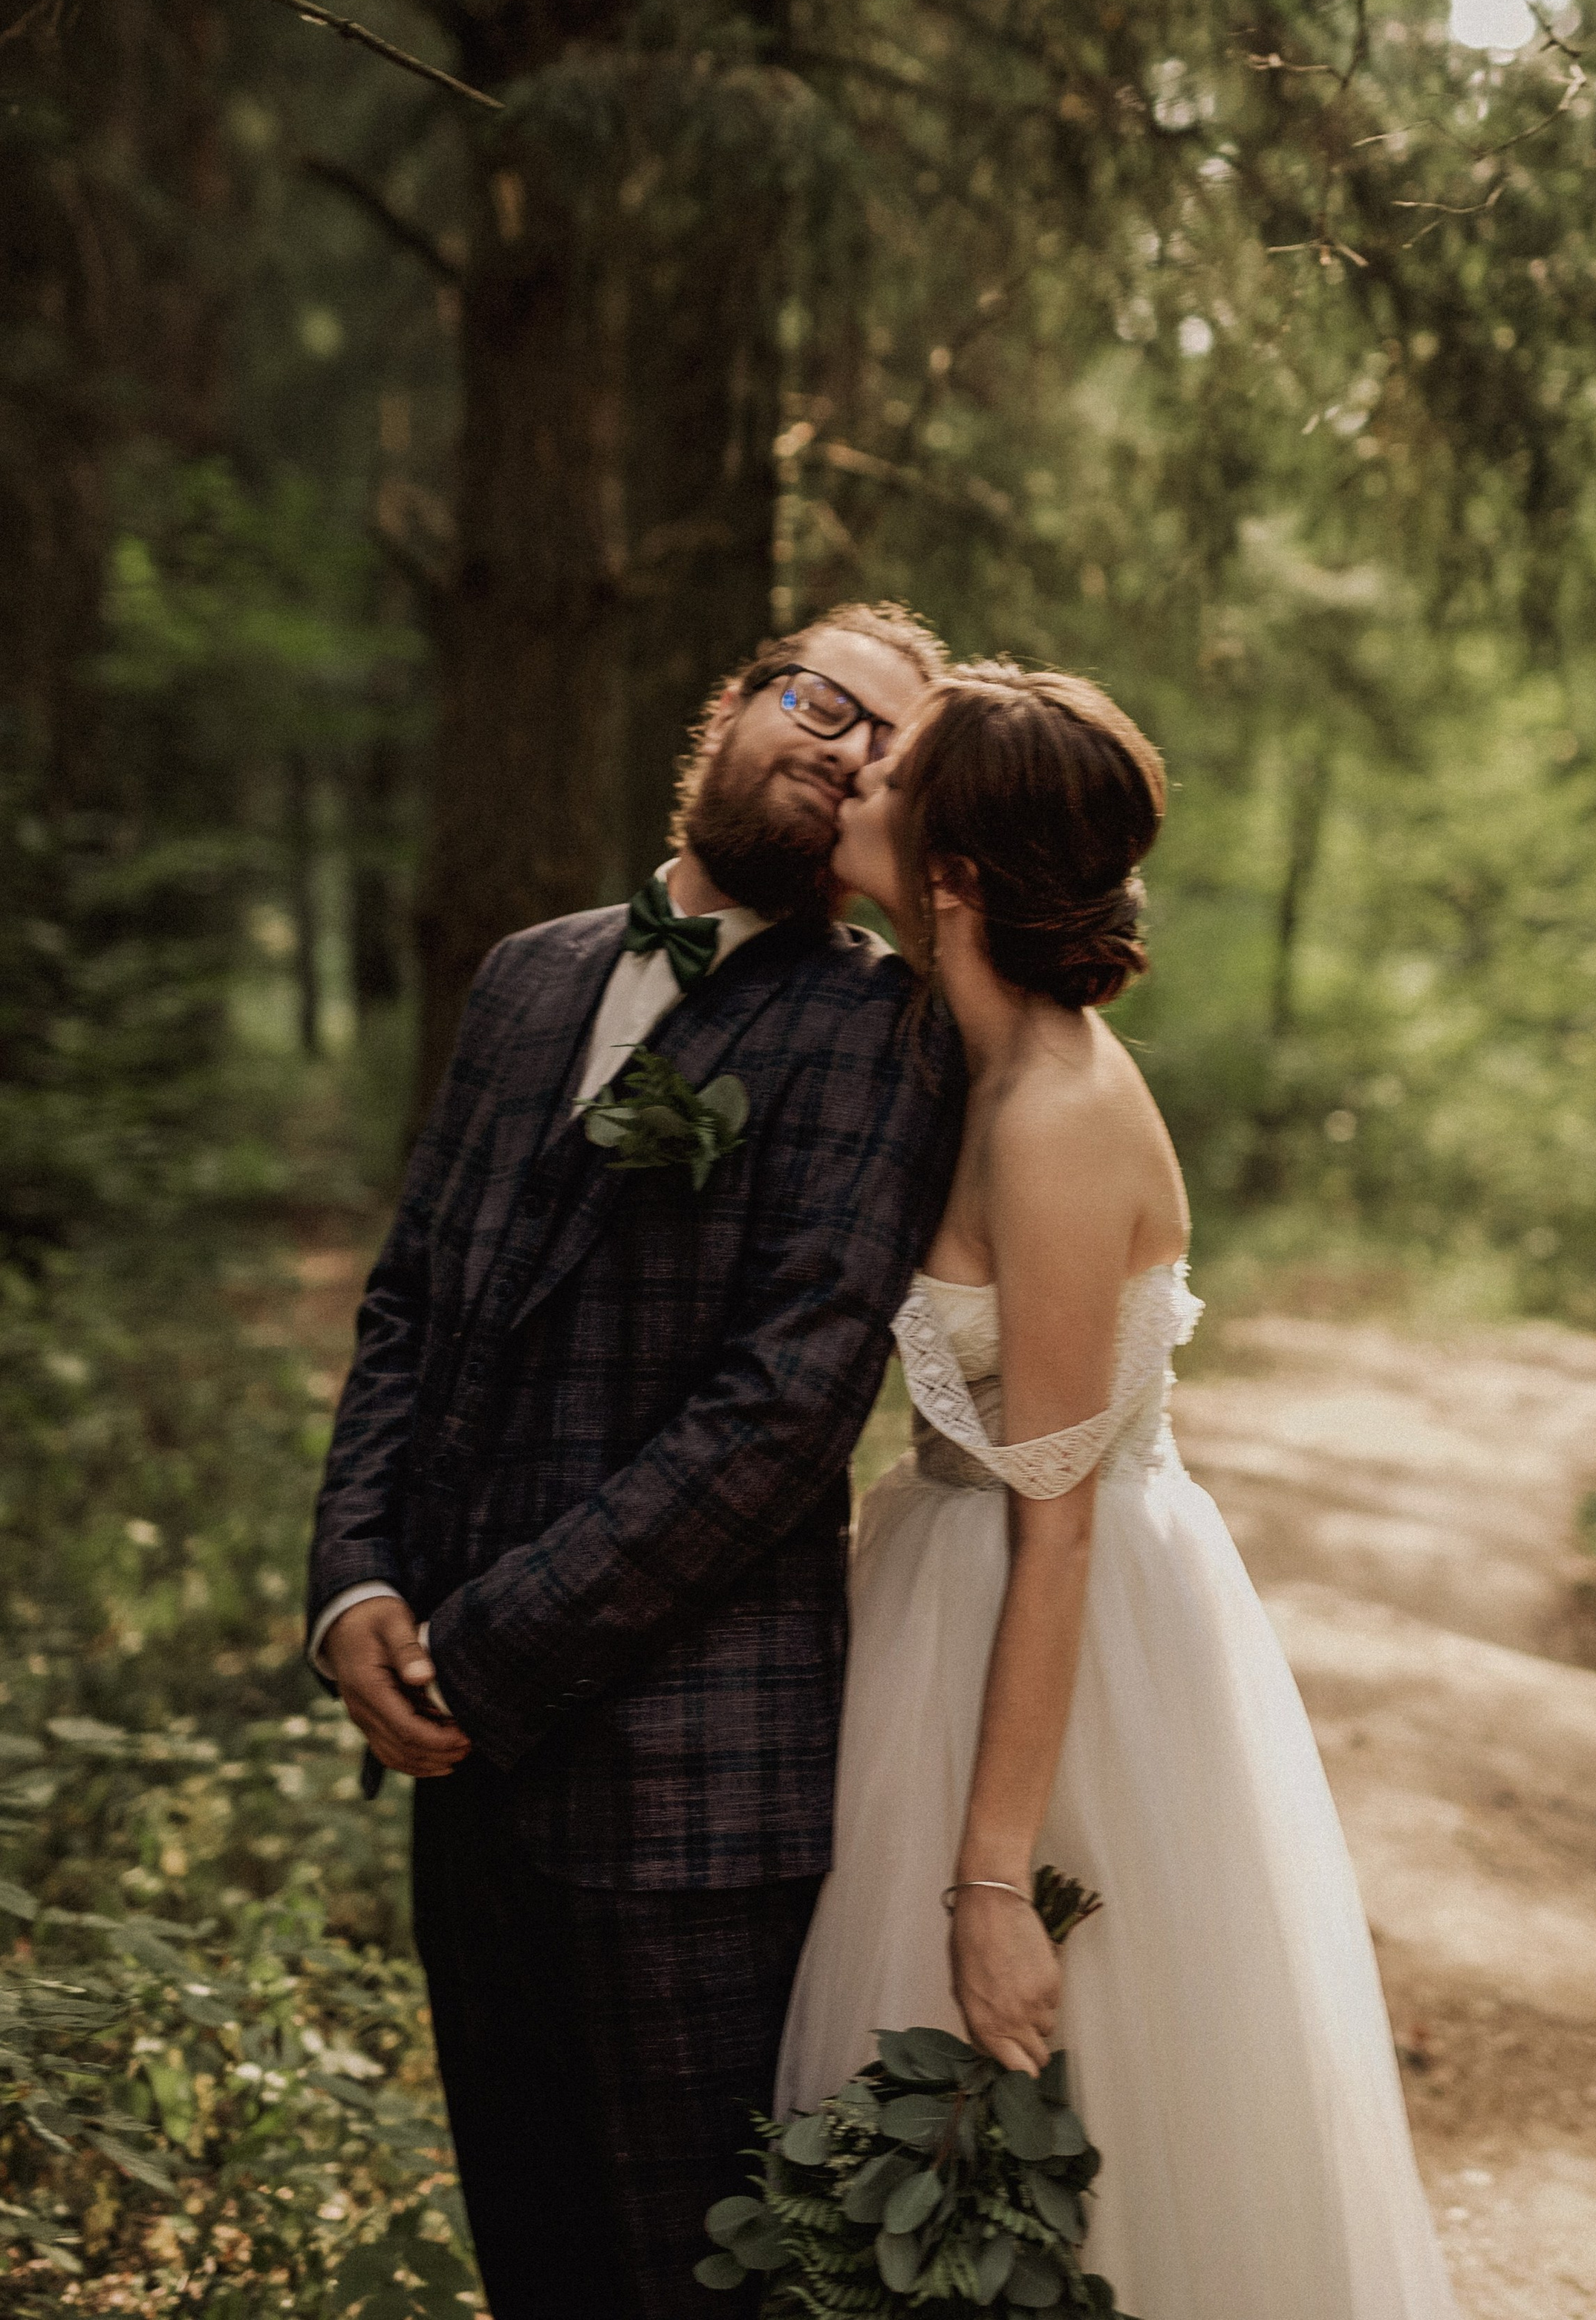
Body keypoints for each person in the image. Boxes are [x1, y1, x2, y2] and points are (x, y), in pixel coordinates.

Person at [304, 604, 965, 2320]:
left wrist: (480, 1647)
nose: (839, 745)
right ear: (731, 708)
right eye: (820, 700)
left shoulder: (884, 1033)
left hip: (685, 1793)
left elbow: (777, 1416)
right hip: (461, 1771)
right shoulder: (525, 971)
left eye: (885, 743)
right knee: (530, 2251)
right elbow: (410, 1301)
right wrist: (358, 1584)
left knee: (693, 2280)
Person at [777, 662, 1459, 2320]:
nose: (853, 773)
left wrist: (992, 1879)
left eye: (894, 767)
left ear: (949, 871)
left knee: (1072, 2128)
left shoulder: (1055, 1115)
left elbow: (1057, 1518)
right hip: (947, 1590)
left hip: (1054, 1640)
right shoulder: (961, 1056)